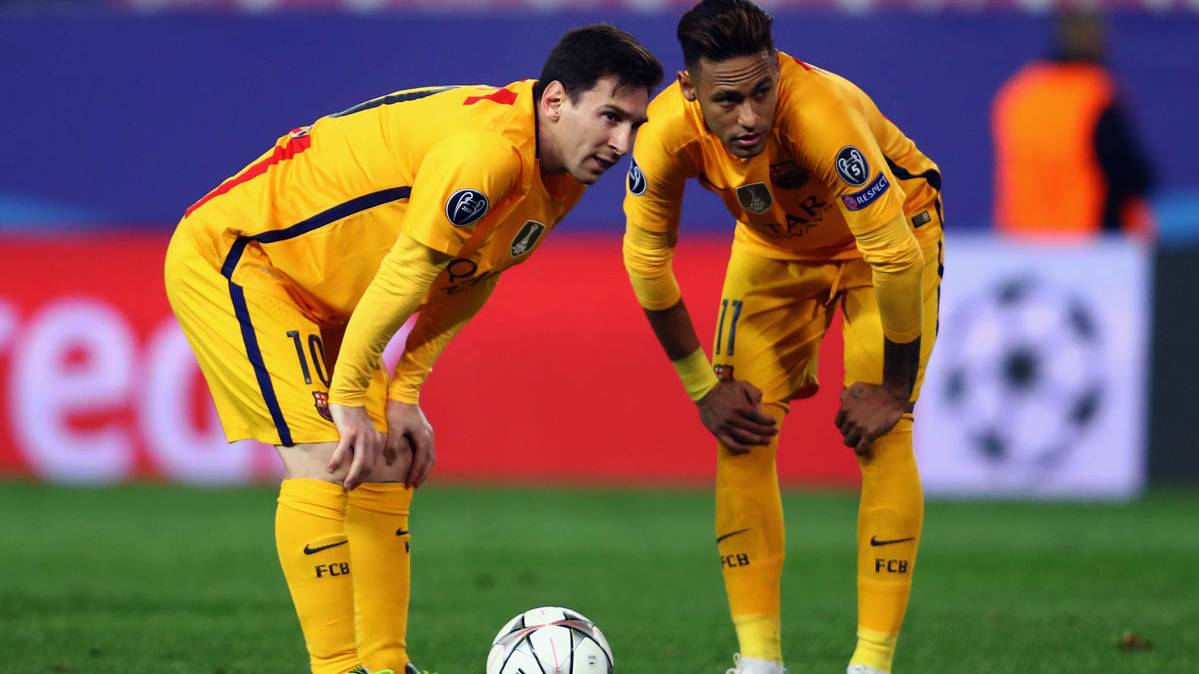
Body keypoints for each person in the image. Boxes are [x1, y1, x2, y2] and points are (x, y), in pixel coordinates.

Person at [164, 26, 661, 674]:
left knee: (389, 459)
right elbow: (408, 271)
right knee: (325, 454)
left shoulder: (560, 173)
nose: (623, 144)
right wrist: (348, 394)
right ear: (555, 101)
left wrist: (404, 393)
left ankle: (386, 664)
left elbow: (472, 275)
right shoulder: (486, 155)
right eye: (611, 118)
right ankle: (338, 668)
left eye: (634, 125)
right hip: (242, 257)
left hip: (332, 296)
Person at [621, 2, 942, 673]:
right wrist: (702, 388)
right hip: (771, 247)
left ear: (776, 70)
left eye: (761, 91)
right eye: (727, 100)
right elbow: (646, 263)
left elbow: (892, 257)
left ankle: (871, 663)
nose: (749, 117)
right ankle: (759, 661)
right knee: (741, 429)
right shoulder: (664, 133)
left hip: (891, 239)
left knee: (884, 434)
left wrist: (893, 390)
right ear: (689, 89)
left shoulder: (820, 114)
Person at [992, 8, 1155, 239]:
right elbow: (1132, 175)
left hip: (1022, 241)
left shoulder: (1020, 92)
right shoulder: (1094, 94)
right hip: (1087, 242)